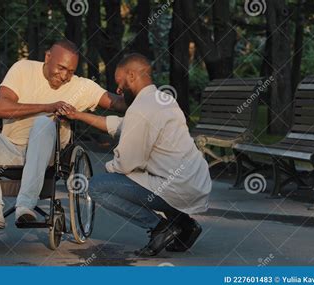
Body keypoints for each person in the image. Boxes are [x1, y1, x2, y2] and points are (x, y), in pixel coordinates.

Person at [63, 53, 212, 257]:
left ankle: (160, 227)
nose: (117, 90)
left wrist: (109, 170)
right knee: (152, 178)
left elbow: (126, 165)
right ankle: (186, 225)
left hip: (176, 187)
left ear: (131, 76)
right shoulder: (164, 99)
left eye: (119, 82)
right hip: (196, 183)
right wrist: (77, 115)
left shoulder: (140, 110)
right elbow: (118, 125)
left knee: (97, 186)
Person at [0, 40, 126, 229]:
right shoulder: (23, 69)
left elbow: (116, 103)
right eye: (61, 68)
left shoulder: (82, 87)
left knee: (43, 122)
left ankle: (25, 205)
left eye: (71, 71)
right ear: (47, 57)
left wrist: (141, 95)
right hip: (11, 149)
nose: (65, 75)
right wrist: (48, 107)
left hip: (49, 155)